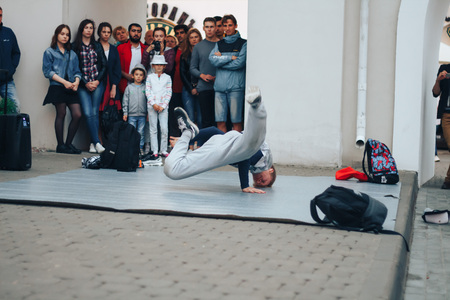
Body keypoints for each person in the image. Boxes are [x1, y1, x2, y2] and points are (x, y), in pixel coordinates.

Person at [165, 86, 275, 193]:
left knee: (172, 171)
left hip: (219, 145)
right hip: (236, 144)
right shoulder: (261, 159)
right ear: (270, 170)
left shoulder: (247, 157)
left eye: (258, 183)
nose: (259, 180)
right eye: (264, 181)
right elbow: (245, 157)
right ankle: (257, 106)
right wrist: (245, 186)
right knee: (252, 143)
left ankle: (187, 132)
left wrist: (185, 140)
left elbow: (213, 131)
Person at [42, 24, 82, 154]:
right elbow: (47, 72)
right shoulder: (49, 52)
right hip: (57, 86)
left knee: (77, 114)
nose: (65, 37)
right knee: (62, 113)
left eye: (67, 34)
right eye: (62, 34)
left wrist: (76, 82)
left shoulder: (72, 54)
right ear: (57, 35)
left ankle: (68, 144)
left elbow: (77, 71)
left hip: (70, 87)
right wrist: (64, 82)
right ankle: (61, 145)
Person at [72, 19, 107, 154]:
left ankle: (93, 143)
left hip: (97, 83)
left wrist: (97, 81)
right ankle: (97, 142)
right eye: (86, 27)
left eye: (91, 28)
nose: (89, 30)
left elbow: (104, 65)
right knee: (87, 113)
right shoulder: (75, 46)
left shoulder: (97, 45)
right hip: (82, 84)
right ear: (82, 29)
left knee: (94, 112)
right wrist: (85, 82)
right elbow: (74, 68)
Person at [209, 14, 247, 133]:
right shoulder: (219, 44)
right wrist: (230, 58)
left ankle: (236, 149)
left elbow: (239, 63)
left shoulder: (243, 43)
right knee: (220, 121)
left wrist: (221, 60)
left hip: (235, 88)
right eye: (225, 25)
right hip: (219, 89)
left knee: (236, 121)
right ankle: (224, 148)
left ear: (235, 25)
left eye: (230, 25)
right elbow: (212, 59)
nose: (227, 28)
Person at [190, 18, 219, 129]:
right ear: (203, 28)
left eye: (211, 27)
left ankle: (220, 146)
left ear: (216, 28)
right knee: (206, 121)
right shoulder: (198, 46)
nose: (209, 29)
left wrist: (219, 77)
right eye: (207, 27)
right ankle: (208, 146)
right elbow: (192, 68)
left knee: (220, 120)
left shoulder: (222, 44)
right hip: (204, 88)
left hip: (220, 87)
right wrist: (202, 76)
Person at [145, 55, 172, 159]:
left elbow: (169, 92)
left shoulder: (167, 78)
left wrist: (163, 105)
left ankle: (163, 150)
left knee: (164, 128)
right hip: (152, 106)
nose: (159, 67)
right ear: (153, 66)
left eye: (161, 65)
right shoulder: (149, 77)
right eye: (157, 65)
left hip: (163, 107)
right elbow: (148, 91)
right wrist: (153, 104)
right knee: (153, 128)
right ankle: (155, 150)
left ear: (164, 66)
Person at [97, 22, 122, 134]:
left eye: (108, 32)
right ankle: (97, 140)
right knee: (97, 111)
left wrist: (114, 86)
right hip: (97, 82)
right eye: (104, 32)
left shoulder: (113, 49)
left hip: (110, 83)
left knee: (110, 112)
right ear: (99, 32)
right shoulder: (94, 46)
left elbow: (117, 69)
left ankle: (109, 141)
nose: (106, 34)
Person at [117, 23, 148, 95]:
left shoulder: (146, 49)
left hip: (142, 88)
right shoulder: (120, 48)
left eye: (138, 31)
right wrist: (125, 75)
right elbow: (115, 67)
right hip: (124, 86)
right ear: (128, 33)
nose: (136, 33)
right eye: (133, 31)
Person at [180, 28, 202, 131]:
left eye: (196, 37)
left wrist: (198, 87)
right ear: (188, 39)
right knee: (190, 118)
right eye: (191, 37)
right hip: (188, 89)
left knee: (201, 118)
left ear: (200, 38)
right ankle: (191, 143)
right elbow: (183, 74)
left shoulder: (204, 53)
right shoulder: (184, 55)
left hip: (201, 88)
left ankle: (201, 143)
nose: (194, 39)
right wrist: (191, 88)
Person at [122, 64, 147, 155]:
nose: (138, 77)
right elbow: (125, 101)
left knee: (141, 132)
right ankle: (131, 148)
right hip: (131, 114)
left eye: (141, 75)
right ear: (132, 75)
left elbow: (148, 101)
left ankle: (140, 148)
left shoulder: (145, 88)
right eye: (136, 74)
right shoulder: (129, 88)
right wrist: (125, 112)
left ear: (143, 77)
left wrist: (147, 113)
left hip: (142, 114)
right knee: (131, 131)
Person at [0, 6, 21, 113]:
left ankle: (11, 130)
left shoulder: (8, 33)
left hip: (6, 81)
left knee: (15, 106)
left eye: (0, 15)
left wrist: (11, 69)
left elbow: (16, 53)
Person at [432, 64, 450, 189]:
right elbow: (435, 93)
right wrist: (438, 80)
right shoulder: (445, 69)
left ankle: (448, 180)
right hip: (447, 115)